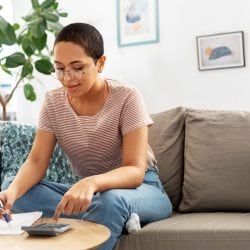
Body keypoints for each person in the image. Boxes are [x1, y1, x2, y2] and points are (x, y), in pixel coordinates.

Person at [0, 23, 172, 249]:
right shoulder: (53, 102)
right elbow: (36, 161)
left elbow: (135, 171)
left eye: (77, 67)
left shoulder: (128, 97)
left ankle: (117, 211)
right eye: (60, 68)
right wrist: (11, 193)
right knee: (14, 186)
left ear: (100, 63)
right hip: (94, 195)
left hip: (140, 190)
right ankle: (115, 217)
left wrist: (91, 182)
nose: (67, 78)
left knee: (111, 200)